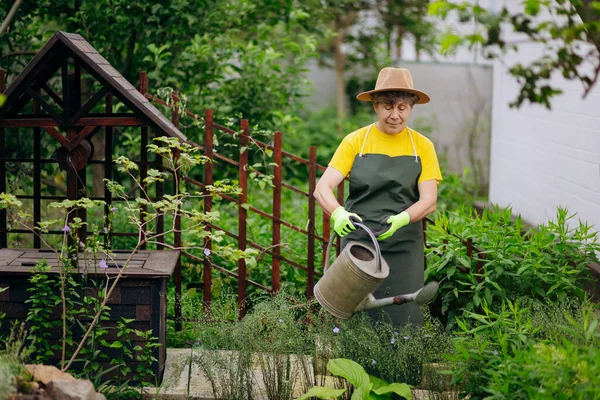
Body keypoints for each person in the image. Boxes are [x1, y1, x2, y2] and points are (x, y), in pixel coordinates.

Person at [314, 67, 442, 327]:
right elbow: (322, 188)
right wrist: (338, 213)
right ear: (375, 105)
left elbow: (429, 200)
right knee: (356, 316)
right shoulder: (355, 142)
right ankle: (352, 369)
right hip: (359, 245)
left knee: (403, 317)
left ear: (412, 107)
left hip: (404, 244)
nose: (395, 115)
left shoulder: (422, 146)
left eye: (403, 107)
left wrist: (403, 218)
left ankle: (403, 369)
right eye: (387, 106)